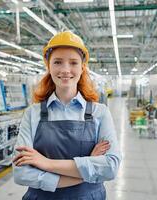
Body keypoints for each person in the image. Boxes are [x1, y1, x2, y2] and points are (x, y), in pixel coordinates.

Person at [12, 31, 121, 200]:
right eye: (57, 62)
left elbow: (110, 167)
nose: (65, 70)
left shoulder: (100, 113)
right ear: (49, 66)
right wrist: (87, 167)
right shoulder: (32, 114)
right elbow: (21, 173)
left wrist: (46, 163)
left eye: (73, 62)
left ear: (82, 67)